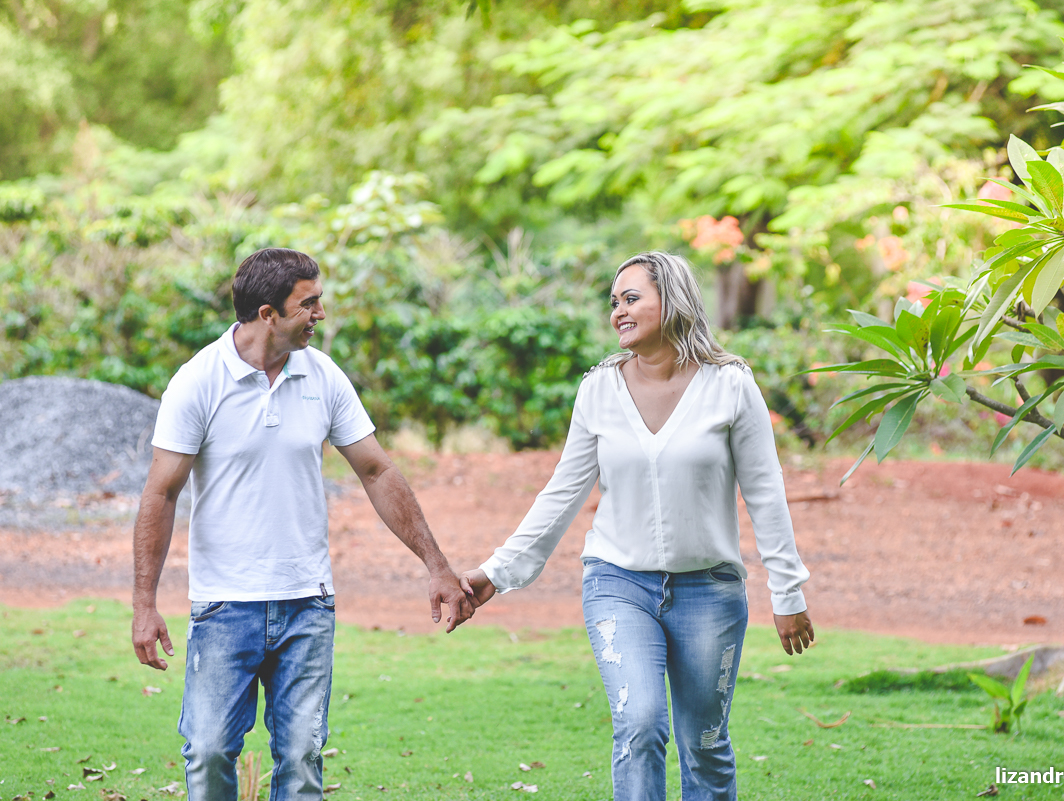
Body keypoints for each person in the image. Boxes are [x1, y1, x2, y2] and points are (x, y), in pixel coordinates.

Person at [460, 251, 814, 801]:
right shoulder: (599, 389)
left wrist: (787, 592)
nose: (617, 312)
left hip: (710, 590)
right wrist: (497, 572)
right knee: (640, 723)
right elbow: (562, 493)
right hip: (618, 583)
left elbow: (765, 492)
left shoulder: (730, 384)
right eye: (614, 302)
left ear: (672, 300)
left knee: (705, 744)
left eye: (631, 298)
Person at [131, 247, 473, 800]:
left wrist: (437, 564)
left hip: (307, 603)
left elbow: (377, 470)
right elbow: (161, 492)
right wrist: (144, 604)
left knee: (301, 757)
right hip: (224, 604)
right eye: (308, 304)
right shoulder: (197, 382)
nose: (320, 314)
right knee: (209, 751)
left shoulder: (323, 375)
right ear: (267, 314)